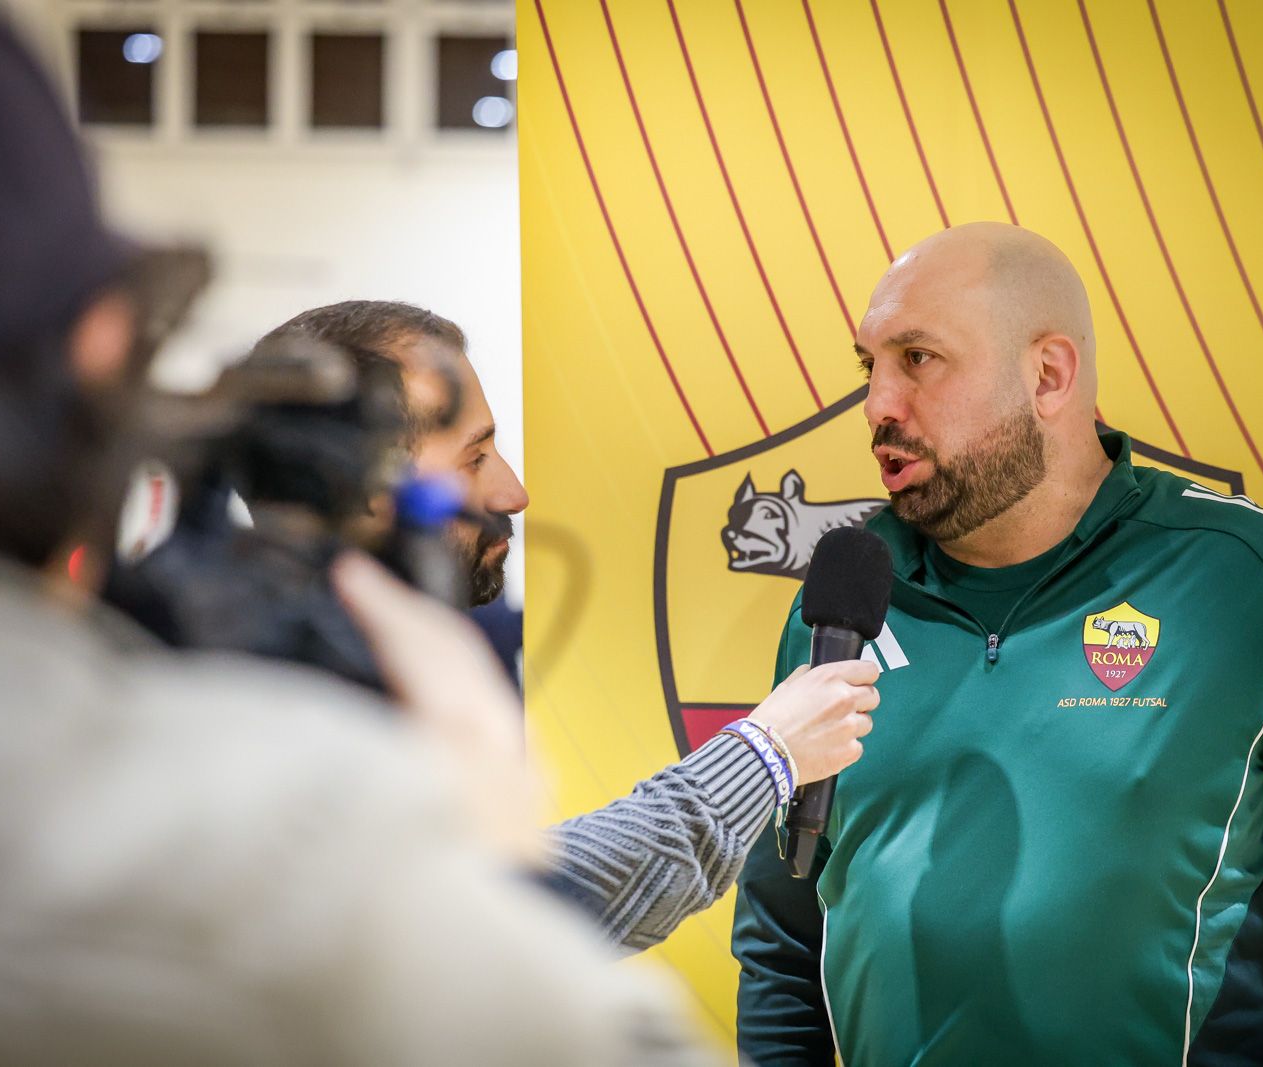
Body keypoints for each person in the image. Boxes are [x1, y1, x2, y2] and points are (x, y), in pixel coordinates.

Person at [0, 3, 712, 1062]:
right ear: (99, 349)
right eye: (474, 448)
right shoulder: (305, 855)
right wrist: (481, 849)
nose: (516, 491)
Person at [732, 222, 1263, 1065]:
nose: (878, 405)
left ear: (1048, 375)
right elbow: (784, 927)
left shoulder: (1251, 578)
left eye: (918, 360)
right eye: (871, 367)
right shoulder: (843, 606)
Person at [234, 301, 883, 951]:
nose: (512, 492)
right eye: (474, 457)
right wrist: (764, 753)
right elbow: (510, 912)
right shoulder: (284, 715)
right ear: (373, 488)